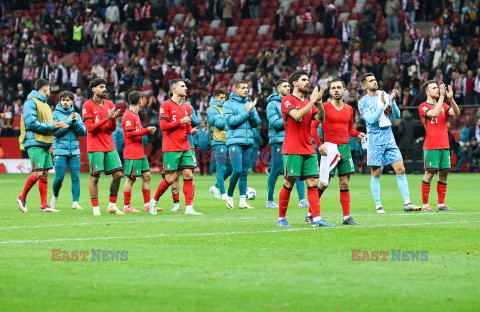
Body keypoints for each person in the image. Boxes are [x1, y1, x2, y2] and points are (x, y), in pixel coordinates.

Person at [277, 70, 334, 227]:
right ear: (295, 83)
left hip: (309, 148)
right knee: (289, 182)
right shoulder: (287, 100)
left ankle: (316, 218)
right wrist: (312, 101)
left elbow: (321, 118)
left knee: (313, 182)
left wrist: (319, 102)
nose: (307, 82)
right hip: (292, 148)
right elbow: (296, 115)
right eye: (303, 80)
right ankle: (281, 217)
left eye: (308, 79)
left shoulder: (310, 101)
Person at [358, 73, 420, 213]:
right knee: (376, 172)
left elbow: (397, 115)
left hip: (389, 137)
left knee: (401, 169)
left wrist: (391, 101)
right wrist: (381, 105)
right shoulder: (363, 102)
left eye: (375, 79)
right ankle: (378, 205)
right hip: (374, 138)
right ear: (365, 85)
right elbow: (372, 120)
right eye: (371, 81)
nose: (374, 82)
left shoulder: (384, 95)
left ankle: (407, 203)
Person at [311, 78, 365, 225]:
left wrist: (358, 134)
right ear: (330, 91)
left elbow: (349, 130)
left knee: (345, 183)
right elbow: (313, 127)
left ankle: (346, 217)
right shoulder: (325, 107)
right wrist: (319, 145)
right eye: (333, 88)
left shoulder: (349, 109)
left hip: (345, 148)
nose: (336, 90)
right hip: (330, 148)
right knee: (324, 182)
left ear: (344, 90)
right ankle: (311, 213)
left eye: (338, 87)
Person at [150, 79, 202, 215]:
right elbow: (163, 127)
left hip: (185, 145)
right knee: (170, 179)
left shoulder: (187, 107)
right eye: (182, 86)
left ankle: (189, 208)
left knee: (188, 174)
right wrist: (180, 122)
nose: (186, 88)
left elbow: (188, 127)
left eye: (186, 86)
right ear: (174, 90)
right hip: (171, 147)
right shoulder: (165, 105)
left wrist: (191, 130)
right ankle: (154, 201)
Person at [16, 79, 69, 212]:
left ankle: (44, 206)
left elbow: (47, 126)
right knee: (38, 172)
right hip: (34, 141)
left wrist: (57, 126)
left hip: (45, 141)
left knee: (45, 173)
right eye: (49, 89)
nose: (50, 92)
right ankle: (21, 198)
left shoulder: (45, 105)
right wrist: (52, 125)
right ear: (44, 89)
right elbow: (31, 123)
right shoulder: (30, 102)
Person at [82, 78, 124, 216]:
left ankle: (112, 205)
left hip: (109, 145)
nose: (104, 89)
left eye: (105, 86)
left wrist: (112, 120)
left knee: (118, 174)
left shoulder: (109, 104)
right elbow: (89, 128)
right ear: (93, 89)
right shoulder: (87, 105)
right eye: (101, 87)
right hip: (95, 146)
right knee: (95, 178)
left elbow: (112, 129)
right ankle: (96, 208)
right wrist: (106, 119)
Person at [265, 79, 309, 208]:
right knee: (276, 169)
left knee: (297, 169)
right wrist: (292, 117)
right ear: (278, 90)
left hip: (294, 139)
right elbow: (274, 123)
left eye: (289, 86)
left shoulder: (294, 101)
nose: (288, 88)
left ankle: (302, 199)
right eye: (284, 86)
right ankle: (269, 200)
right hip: (279, 140)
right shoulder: (272, 104)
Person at [419, 81, 460, 211]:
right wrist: (442, 97)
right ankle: (425, 204)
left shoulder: (444, 104)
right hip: (431, 145)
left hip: (444, 144)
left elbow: (456, 112)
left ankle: (441, 204)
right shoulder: (423, 106)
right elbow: (434, 113)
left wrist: (451, 98)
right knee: (429, 174)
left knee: (443, 175)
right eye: (434, 88)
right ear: (427, 92)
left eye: (438, 87)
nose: (437, 89)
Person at [223, 81, 261, 209]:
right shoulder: (228, 104)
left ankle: (242, 202)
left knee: (244, 172)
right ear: (236, 90)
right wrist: (247, 111)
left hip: (247, 142)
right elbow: (231, 121)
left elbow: (257, 123)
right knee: (237, 170)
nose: (246, 90)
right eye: (243, 88)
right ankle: (229, 196)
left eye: (247, 88)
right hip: (234, 142)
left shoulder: (248, 104)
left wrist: (252, 112)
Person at [49, 91, 87, 211]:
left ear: (72, 102)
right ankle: (55, 197)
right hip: (60, 150)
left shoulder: (77, 115)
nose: (65, 102)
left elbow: (83, 132)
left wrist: (75, 122)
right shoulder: (55, 115)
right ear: (60, 101)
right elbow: (56, 133)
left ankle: (75, 202)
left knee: (75, 177)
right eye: (63, 100)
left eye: (68, 100)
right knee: (59, 178)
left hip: (74, 151)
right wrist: (70, 122)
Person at [121, 91, 157, 213]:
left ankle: (147, 205)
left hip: (139, 151)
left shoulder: (135, 115)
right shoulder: (128, 115)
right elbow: (129, 133)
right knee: (131, 179)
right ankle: (126, 206)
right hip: (132, 152)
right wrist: (145, 130)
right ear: (140, 100)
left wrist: (147, 130)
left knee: (147, 176)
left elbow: (137, 130)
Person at [207, 89, 233, 200]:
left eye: (224, 98)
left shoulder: (224, 108)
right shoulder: (212, 109)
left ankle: (215, 187)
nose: (224, 100)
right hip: (218, 141)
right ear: (215, 97)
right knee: (221, 167)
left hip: (228, 140)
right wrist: (231, 119)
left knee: (231, 168)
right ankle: (223, 194)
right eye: (221, 98)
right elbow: (219, 123)